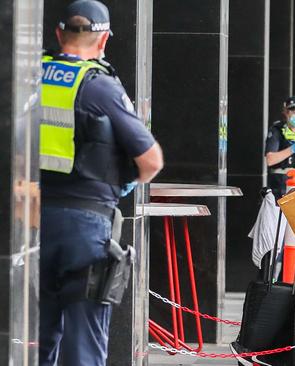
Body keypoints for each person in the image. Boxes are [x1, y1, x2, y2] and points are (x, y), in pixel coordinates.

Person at [39, 1, 164, 365]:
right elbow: (150, 160)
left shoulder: (28, 77)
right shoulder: (99, 86)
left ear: (59, 33)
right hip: (85, 225)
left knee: (36, 338)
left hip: (28, 222)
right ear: (105, 39)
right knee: (84, 341)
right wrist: (122, 185)